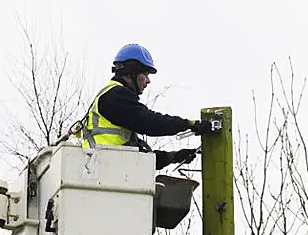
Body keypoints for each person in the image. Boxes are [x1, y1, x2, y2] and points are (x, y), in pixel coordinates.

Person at [78, 44, 215, 169]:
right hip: (104, 170)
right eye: (145, 74)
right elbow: (150, 123)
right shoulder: (114, 97)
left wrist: (172, 156)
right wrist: (188, 124)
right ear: (131, 72)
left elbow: (137, 158)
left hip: (108, 169)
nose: (148, 81)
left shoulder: (114, 99)